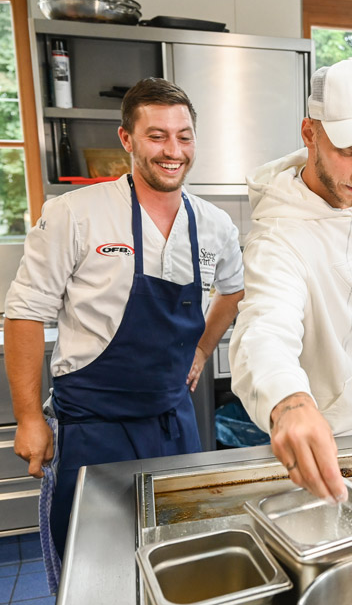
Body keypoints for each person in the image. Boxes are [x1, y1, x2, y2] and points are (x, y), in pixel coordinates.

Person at [5, 78, 244, 563]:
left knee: (180, 550)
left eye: (184, 135)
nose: (172, 150)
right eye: (157, 136)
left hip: (173, 421)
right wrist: (30, 418)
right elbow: (25, 313)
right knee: (97, 561)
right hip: (94, 424)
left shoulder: (214, 224)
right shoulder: (74, 214)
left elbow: (233, 290)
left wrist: (200, 350)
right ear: (127, 139)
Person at [229, 59, 352, 504]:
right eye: (349, 152)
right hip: (321, 431)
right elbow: (264, 328)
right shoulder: (279, 233)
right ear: (310, 133)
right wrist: (289, 401)